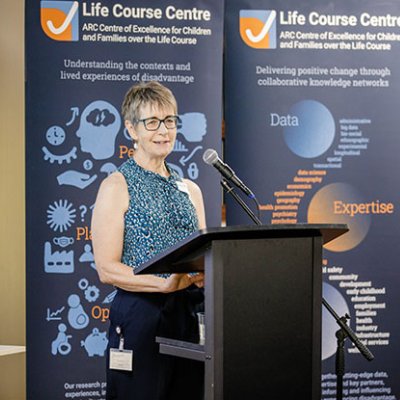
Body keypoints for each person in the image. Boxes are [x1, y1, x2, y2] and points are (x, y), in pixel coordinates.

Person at [91, 81, 206, 400]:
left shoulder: (191, 190)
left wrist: (207, 273)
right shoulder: (117, 185)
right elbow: (106, 268)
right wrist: (162, 284)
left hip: (190, 312)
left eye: (170, 121)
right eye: (152, 122)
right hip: (142, 313)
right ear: (131, 128)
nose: (163, 130)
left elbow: (204, 253)